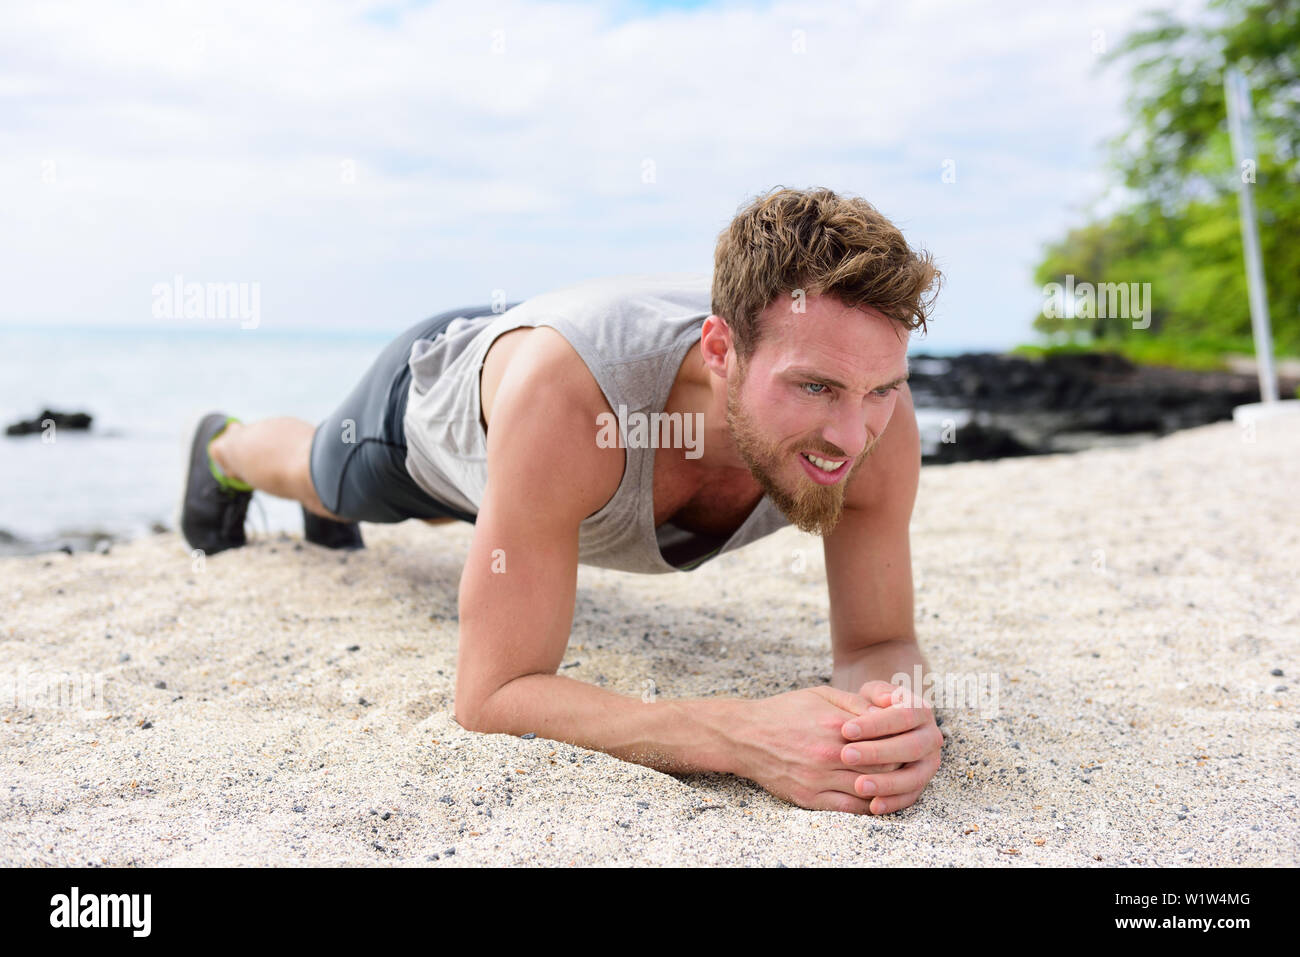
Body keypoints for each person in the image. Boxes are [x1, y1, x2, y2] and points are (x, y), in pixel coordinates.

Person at [180, 186, 946, 815]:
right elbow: (492, 695)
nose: (853, 434)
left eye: (881, 388)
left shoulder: (875, 417)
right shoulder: (575, 402)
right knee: (321, 471)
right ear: (721, 352)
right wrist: (739, 734)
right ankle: (225, 445)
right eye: (815, 386)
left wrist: (885, 721)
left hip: (545, 425)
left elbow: (877, 644)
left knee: (513, 508)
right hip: (430, 409)